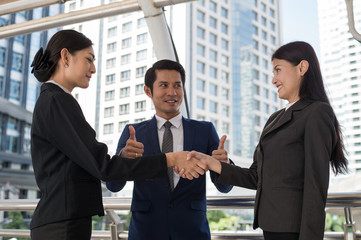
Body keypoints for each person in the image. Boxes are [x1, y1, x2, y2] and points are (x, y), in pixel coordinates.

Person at [29, 30, 205, 240]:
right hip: (61, 227)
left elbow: (90, 163)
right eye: (89, 60)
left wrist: (122, 159)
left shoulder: (54, 100)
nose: (93, 68)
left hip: (63, 221)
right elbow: (103, 167)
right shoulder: (58, 101)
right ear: (66, 57)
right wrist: (170, 159)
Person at [188, 41, 348, 240]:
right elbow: (256, 177)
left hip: (294, 231)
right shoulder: (275, 118)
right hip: (270, 225)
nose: (273, 80)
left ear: (302, 68)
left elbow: (316, 187)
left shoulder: (317, 112)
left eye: (278, 70)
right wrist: (213, 164)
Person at [106, 59, 233, 240]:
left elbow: (224, 187)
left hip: (192, 231)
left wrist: (224, 164)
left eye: (177, 86)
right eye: (164, 85)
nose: (172, 92)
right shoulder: (133, 133)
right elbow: (113, 185)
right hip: (146, 231)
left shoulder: (205, 130)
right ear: (148, 91)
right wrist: (123, 158)